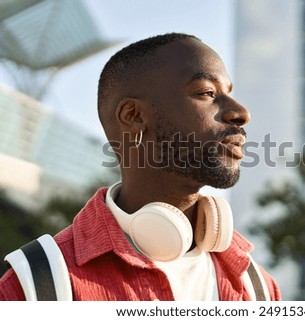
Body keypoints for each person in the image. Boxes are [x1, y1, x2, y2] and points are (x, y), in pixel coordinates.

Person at [0, 33, 281, 301]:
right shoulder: (33, 286)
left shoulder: (259, 288)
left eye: (228, 92)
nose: (241, 113)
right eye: (207, 92)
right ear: (133, 116)